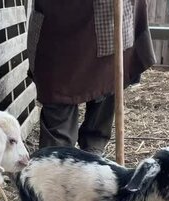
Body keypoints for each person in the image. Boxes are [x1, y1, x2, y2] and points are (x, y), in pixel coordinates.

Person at [27, 0, 156, 155]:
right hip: (58, 18)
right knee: (57, 87)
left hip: (110, 14)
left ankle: (93, 155)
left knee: (107, 80)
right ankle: (56, 162)